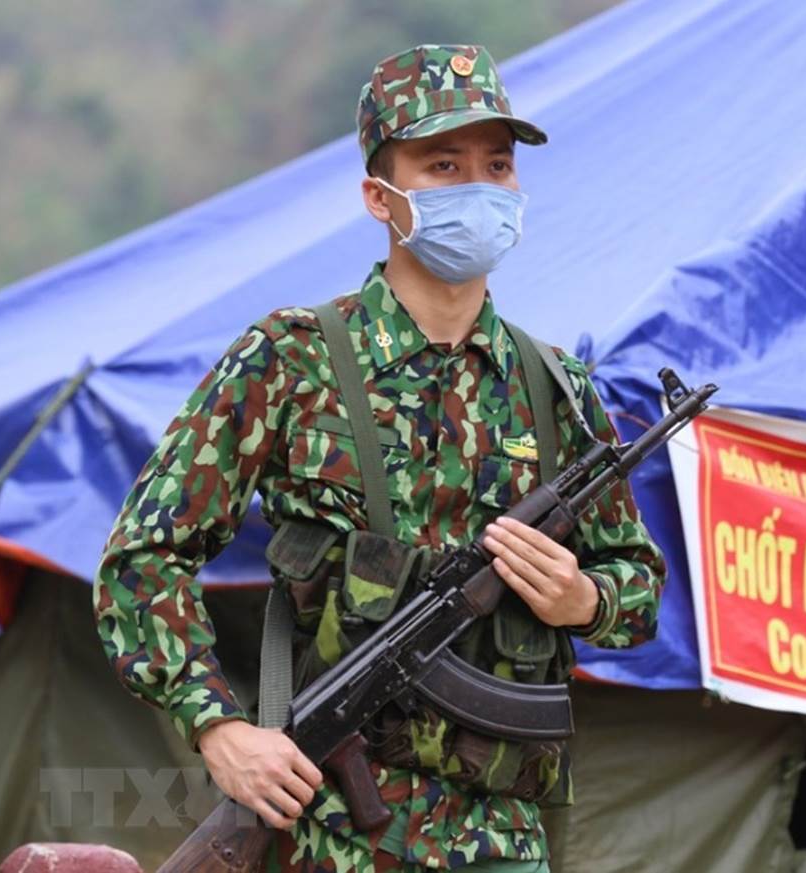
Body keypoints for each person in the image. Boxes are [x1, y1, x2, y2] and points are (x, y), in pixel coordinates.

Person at [93, 44, 665, 872]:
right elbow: (142, 559)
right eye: (443, 164)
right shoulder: (292, 360)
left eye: (497, 166)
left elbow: (639, 584)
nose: (481, 187)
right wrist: (217, 727)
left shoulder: (555, 386)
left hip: (503, 840)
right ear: (379, 196)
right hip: (331, 835)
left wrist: (584, 597)